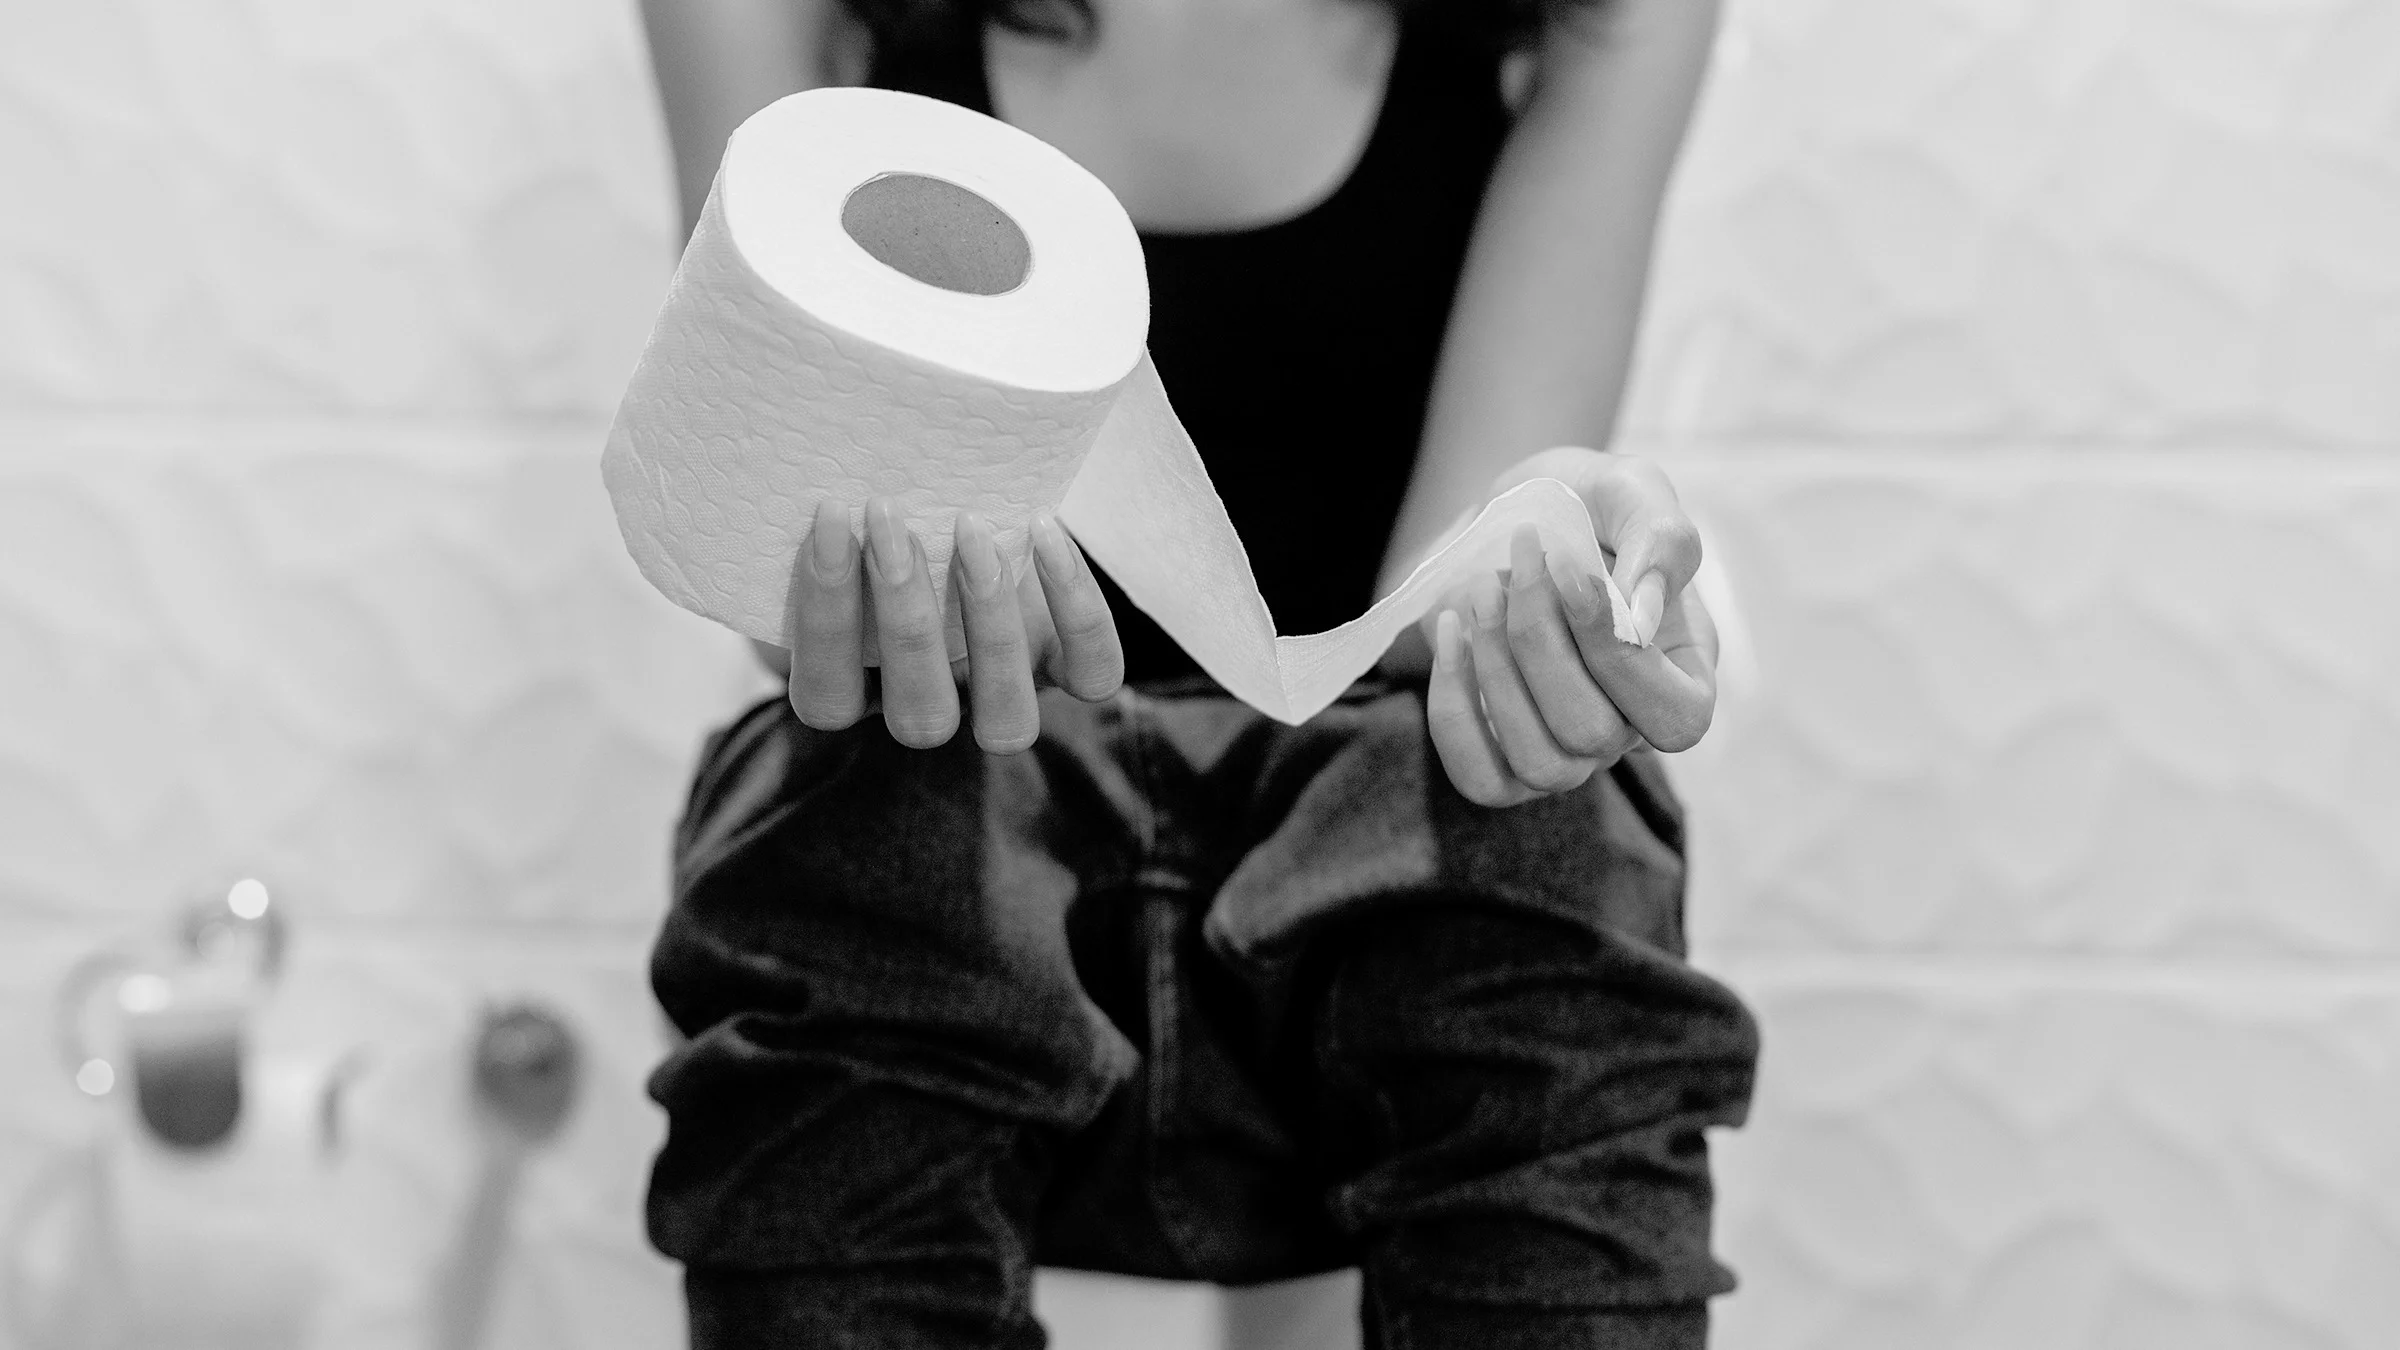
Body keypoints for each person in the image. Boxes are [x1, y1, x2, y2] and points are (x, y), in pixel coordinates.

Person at [636, 0, 1760, 1346]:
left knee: (1544, 825)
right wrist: (891, 601)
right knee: (858, 811)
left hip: (1362, 865)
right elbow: (770, 505)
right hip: (961, 815)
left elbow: (1439, 604)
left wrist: (1548, 586)